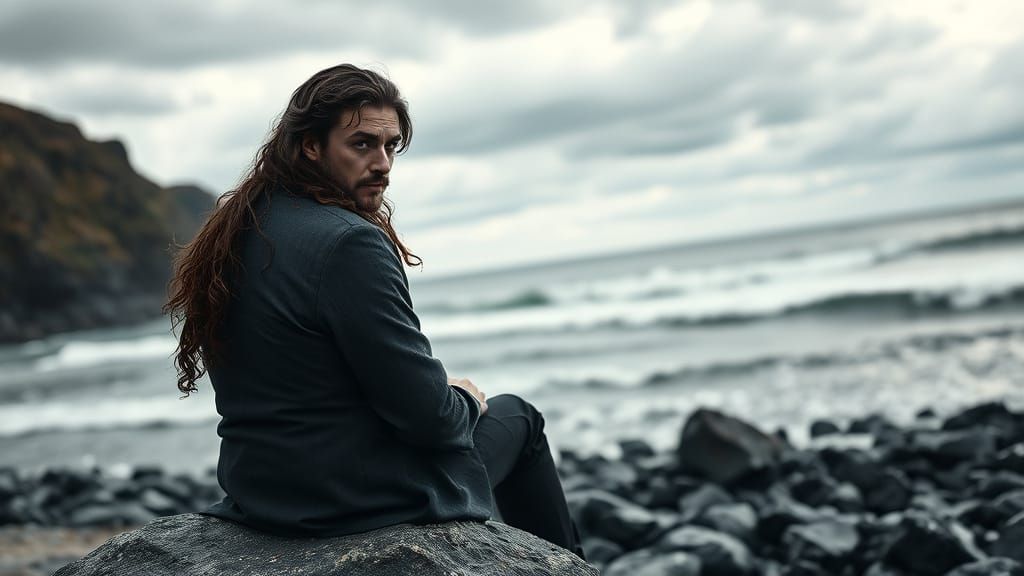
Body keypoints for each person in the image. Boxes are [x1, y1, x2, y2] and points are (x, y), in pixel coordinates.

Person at [164, 64, 584, 559]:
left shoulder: (240, 229)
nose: (382, 163)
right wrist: (466, 399)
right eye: (362, 144)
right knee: (519, 417)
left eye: (391, 146)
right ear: (310, 145)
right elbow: (431, 420)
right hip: (350, 498)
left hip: (262, 491)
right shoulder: (350, 242)